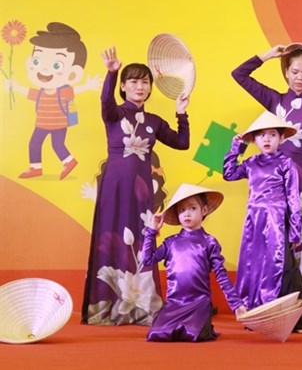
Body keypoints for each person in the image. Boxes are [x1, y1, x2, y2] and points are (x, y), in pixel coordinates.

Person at [81, 47, 190, 325]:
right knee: (111, 237)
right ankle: (105, 308)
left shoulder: (154, 122)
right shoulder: (114, 114)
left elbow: (182, 143)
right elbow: (104, 100)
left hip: (142, 191)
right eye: (133, 81)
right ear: (123, 87)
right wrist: (112, 71)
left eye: (144, 82)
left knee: (141, 241)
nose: (139, 87)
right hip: (114, 187)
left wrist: (181, 113)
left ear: (151, 88)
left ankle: (142, 307)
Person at [231, 44, 302, 296]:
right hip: (276, 185)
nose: (299, 78)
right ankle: (271, 301)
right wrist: (267, 56)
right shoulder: (274, 100)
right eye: (294, 72)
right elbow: (238, 75)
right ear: (286, 73)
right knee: (275, 242)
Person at [223, 110, 302, 332]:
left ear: (281, 138)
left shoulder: (286, 164)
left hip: (276, 220)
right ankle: (258, 315)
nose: (266, 139)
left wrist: (293, 232)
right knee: (254, 266)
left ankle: (297, 319)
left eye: (272, 134)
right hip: (254, 221)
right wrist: (237, 148)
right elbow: (229, 173)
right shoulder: (252, 162)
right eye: (261, 135)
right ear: (253, 140)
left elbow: (293, 199)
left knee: (282, 266)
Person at [142, 183, 247, 342]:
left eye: (192, 208)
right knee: (156, 334)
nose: (186, 214)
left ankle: (202, 325)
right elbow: (147, 259)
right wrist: (151, 231)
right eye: (182, 210)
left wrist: (236, 304)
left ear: (203, 211)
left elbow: (222, 276)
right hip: (174, 304)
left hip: (198, 304)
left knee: (192, 335)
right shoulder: (170, 243)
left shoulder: (209, 242)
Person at [5, 22, 101, 179]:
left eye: (56, 65)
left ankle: (69, 161)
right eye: (37, 61)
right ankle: (36, 167)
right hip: (42, 124)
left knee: (57, 145)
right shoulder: (41, 93)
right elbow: (26, 91)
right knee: (34, 144)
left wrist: (88, 85)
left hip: (58, 124)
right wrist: (14, 86)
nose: (44, 69)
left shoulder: (62, 92)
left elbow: (76, 90)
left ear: (73, 73)